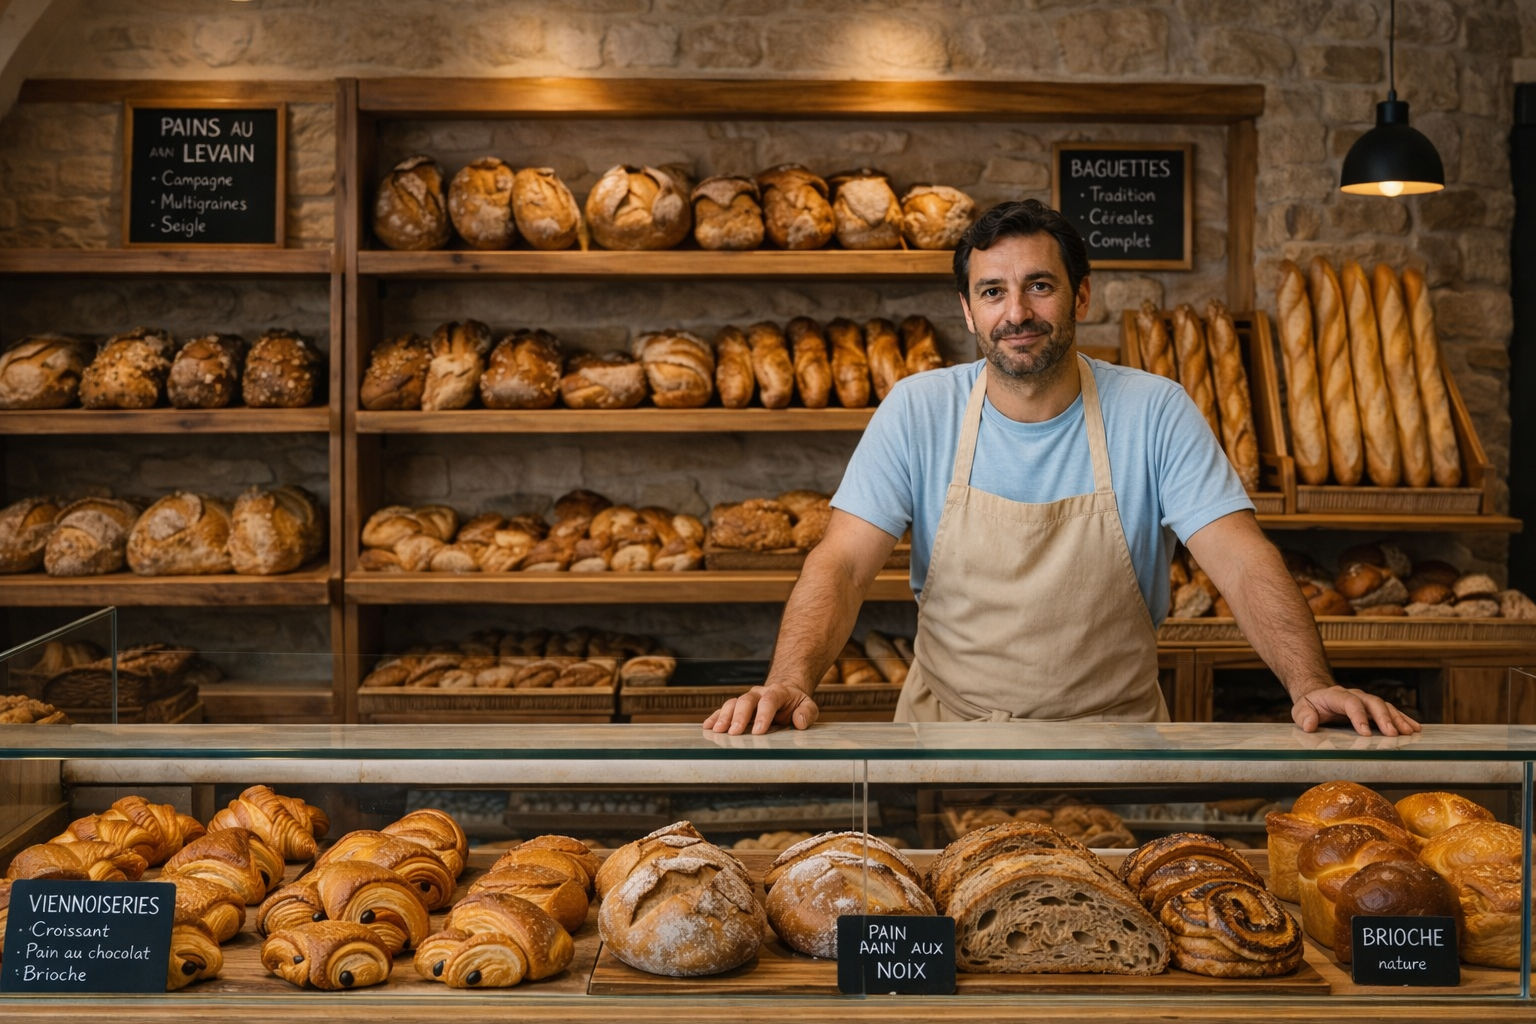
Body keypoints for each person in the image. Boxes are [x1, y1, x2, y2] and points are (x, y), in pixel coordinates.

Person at [704, 199, 1420, 738]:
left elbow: (1241, 561)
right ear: (968, 310)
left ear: (1081, 295)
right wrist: (790, 681)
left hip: (1118, 743)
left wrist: (1311, 682)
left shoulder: (1154, 411)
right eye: (993, 292)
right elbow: (842, 566)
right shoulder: (918, 410)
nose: (1017, 312)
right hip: (951, 741)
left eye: (1039, 286)